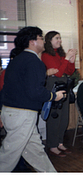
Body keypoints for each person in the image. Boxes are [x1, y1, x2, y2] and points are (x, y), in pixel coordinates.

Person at [0, 26, 65, 172]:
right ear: (32, 42)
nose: (43, 41)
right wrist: (54, 96)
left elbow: (7, 89)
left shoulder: (16, 61)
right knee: (8, 156)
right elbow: (35, 92)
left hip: (11, 112)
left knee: (35, 151)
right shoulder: (35, 63)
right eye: (41, 38)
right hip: (22, 115)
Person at [41, 31, 77, 157]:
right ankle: (52, 145)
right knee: (54, 117)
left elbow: (69, 71)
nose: (60, 40)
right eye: (57, 38)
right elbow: (57, 73)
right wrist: (66, 59)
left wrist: (71, 60)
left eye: (60, 38)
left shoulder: (60, 54)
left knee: (64, 117)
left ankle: (60, 142)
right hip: (53, 86)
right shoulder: (46, 55)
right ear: (49, 40)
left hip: (63, 85)